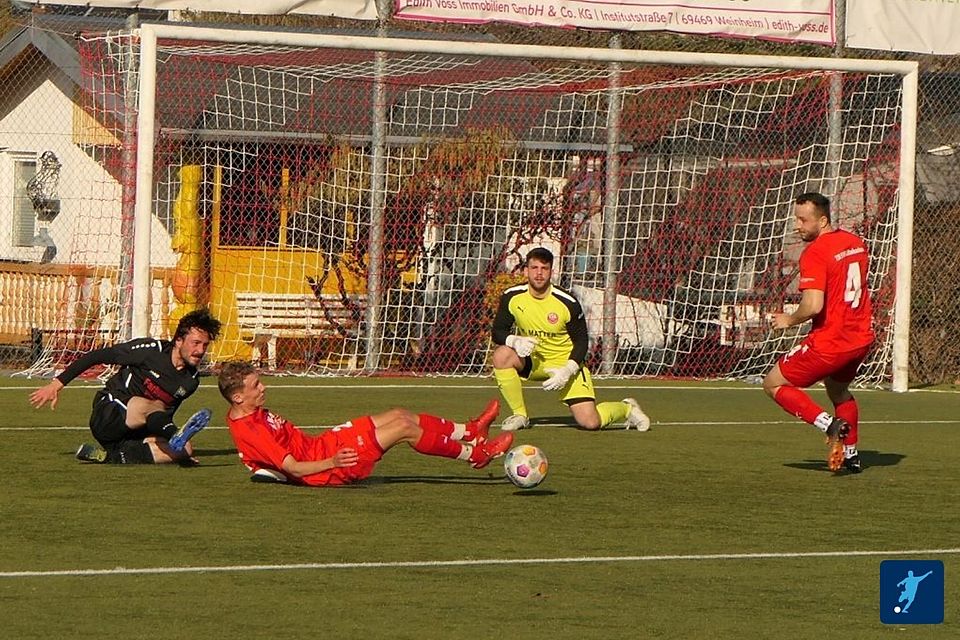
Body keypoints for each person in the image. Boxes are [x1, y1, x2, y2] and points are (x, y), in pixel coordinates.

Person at [217, 360, 513, 486]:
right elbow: (293, 467)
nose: (263, 388)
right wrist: (333, 461)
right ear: (239, 397)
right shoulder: (252, 429)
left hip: (321, 445)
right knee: (404, 429)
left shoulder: (246, 413)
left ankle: (470, 431)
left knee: (399, 413)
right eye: (256, 386)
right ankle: (479, 455)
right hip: (329, 467)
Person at [763, 192, 875, 473]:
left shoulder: (815, 252)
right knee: (839, 391)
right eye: (796, 218)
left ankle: (829, 424)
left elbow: (813, 305)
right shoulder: (855, 243)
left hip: (831, 341)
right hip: (860, 338)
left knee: (773, 384)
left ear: (822, 220)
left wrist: (789, 319)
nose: (796, 225)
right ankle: (851, 454)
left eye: (803, 219)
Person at [29, 308, 222, 465]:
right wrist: (57, 384)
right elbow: (97, 356)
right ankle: (176, 436)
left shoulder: (191, 380)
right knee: (150, 406)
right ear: (179, 340)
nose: (200, 351)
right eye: (196, 343)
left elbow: (164, 415)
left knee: (186, 449)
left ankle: (111, 456)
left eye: (205, 345)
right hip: (109, 413)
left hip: (135, 431)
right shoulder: (150, 351)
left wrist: (180, 454)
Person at [490, 247, 650, 432]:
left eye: (544, 268)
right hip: (533, 361)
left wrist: (567, 371)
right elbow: (498, 331)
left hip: (565, 364)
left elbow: (582, 342)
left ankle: (627, 408)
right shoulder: (512, 296)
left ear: (552, 271)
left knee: (590, 423)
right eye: (534, 268)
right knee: (502, 355)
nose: (539, 273)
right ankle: (520, 415)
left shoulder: (567, 302)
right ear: (526, 270)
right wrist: (515, 341)